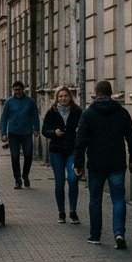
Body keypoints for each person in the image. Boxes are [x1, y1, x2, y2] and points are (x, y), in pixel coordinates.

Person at [74, 79, 132, 250]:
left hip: (96, 164)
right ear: (111, 94)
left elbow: (80, 141)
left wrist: (78, 163)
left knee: (95, 199)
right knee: (118, 198)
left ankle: (95, 235)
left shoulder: (88, 114)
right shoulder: (122, 112)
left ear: (95, 94)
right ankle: (119, 234)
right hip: (117, 163)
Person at [41, 85, 82, 224]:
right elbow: (44, 130)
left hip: (72, 151)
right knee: (59, 182)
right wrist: (54, 132)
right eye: (60, 96)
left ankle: (73, 211)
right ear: (57, 98)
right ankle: (61, 212)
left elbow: (82, 129)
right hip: (57, 151)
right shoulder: (52, 112)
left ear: (70, 97)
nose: (63, 98)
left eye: (65, 96)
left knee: (72, 179)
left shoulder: (77, 112)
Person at [0, 80, 39, 189]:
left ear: (23, 89)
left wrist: (36, 129)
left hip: (27, 133)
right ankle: (17, 180)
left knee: (29, 155)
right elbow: (4, 118)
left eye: (19, 90)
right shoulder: (9, 102)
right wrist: (3, 133)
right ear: (13, 90)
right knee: (15, 157)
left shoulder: (30, 101)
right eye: (15, 90)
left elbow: (35, 116)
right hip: (13, 134)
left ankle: (25, 175)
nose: (17, 92)